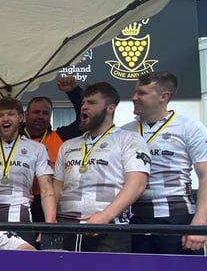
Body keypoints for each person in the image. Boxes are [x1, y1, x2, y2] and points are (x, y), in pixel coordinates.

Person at [121, 71, 207, 254]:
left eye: (142, 93)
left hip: (176, 217)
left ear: (163, 97)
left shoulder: (190, 127)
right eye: (135, 92)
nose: (134, 98)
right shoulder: (125, 132)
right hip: (136, 219)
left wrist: (198, 223)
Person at [54, 82, 150, 252]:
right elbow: (57, 186)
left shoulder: (129, 139)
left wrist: (105, 217)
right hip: (66, 226)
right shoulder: (68, 145)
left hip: (109, 228)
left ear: (110, 108)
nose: (84, 107)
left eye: (92, 103)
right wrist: (51, 221)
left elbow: (137, 183)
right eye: (83, 102)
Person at [0, 96, 56, 243]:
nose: (5, 119)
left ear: (20, 117)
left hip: (21, 218)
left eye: (10, 114)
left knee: (21, 264)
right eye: (0, 115)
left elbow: (47, 190)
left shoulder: (37, 148)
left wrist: (49, 225)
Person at [22, 76, 83, 226]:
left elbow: (83, 117)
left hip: (52, 202)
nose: (40, 116)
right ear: (25, 114)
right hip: (21, 202)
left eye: (45, 113)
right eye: (36, 112)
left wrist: (74, 92)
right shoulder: (14, 138)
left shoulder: (62, 137)